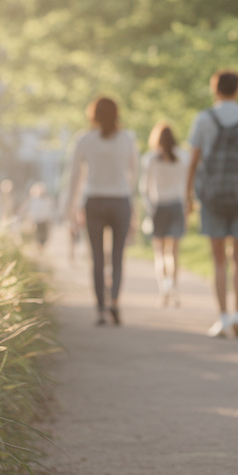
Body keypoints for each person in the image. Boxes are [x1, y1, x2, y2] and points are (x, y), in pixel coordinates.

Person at [186, 70, 238, 338]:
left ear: (215, 89)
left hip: (212, 197)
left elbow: (194, 161)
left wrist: (189, 194)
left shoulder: (204, 119)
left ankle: (222, 317)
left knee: (219, 260)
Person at [66, 96, 139, 326]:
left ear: (93, 115)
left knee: (96, 258)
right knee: (117, 256)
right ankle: (114, 302)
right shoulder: (128, 139)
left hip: (94, 202)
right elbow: (134, 175)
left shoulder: (84, 139)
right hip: (120, 201)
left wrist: (71, 209)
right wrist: (133, 204)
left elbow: (74, 178)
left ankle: (100, 309)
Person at [140, 121, 189, 306]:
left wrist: (149, 208)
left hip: (158, 206)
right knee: (174, 252)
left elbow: (144, 188)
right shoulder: (183, 157)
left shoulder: (150, 158)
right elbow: (186, 187)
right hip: (177, 206)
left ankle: (163, 289)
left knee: (159, 252)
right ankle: (173, 287)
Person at [24, 182, 56, 250]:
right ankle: (39, 247)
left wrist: (50, 219)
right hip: (37, 220)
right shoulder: (34, 200)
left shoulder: (48, 200)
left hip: (45, 220)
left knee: (45, 235)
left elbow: (50, 211)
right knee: (38, 235)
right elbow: (31, 210)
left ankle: (42, 246)